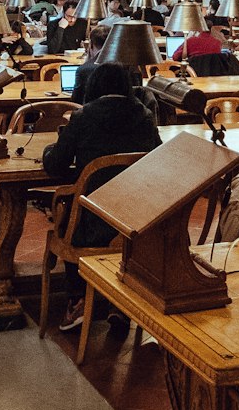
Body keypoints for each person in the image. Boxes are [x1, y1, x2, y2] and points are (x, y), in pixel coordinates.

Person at [41, 65, 160, 331]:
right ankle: (120, 303)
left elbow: (57, 166)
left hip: (90, 219)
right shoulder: (144, 116)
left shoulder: (83, 117)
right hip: (132, 219)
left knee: (69, 211)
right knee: (82, 209)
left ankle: (79, 299)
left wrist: (49, 150)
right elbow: (158, 158)